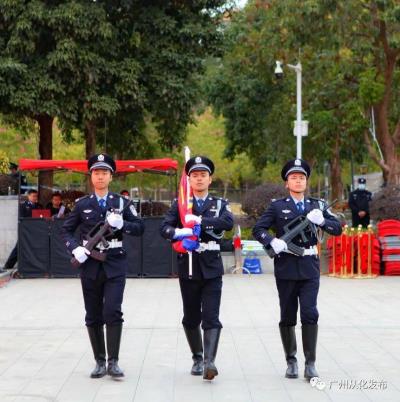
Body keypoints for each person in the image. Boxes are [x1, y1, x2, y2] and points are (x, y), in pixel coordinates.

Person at [253, 159, 342, 381]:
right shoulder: (277, 206)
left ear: (306, 182)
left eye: (302, 177)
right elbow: (258, 228)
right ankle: (291, 361)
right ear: (287, 183)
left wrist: (322, 221)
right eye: (294, 177)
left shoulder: (317, 205)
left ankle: (310, 364)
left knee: (310, 313)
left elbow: (337, 228)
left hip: (309, 266)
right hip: (286, 266)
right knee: (287, 315)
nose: (298, 181)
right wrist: (272, 241)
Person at [61, 153, 144, 379]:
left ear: (111, 177)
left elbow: (140, 227)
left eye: (104, 173)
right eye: (96, 172)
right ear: (91, 176)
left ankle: (113, 362)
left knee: (113, 310)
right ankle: (99, 361)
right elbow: (66, 230)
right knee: (93, 313)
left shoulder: (121, 202)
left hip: (115, 262)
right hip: (90, 264)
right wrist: (75, 248)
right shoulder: (82, 204)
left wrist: (123, 224)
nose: (100, 176)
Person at [160, 156, 233, 380]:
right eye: (195, 175)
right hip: (189, 265)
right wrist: (179, 233)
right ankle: (198, 357)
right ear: (189, 179)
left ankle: (210, 362)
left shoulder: (219, 204)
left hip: (211, 266)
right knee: (191, 317)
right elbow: (164, 228)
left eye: (203, 175)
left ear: (210, 179)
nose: (199, 179)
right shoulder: (181, 204)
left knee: (211, 316)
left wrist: (202, 222)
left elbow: (228, 222)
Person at [3, 189, 42, 270]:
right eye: (33, 196)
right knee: (19, 246)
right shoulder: (23, 205)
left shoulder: (39, 206)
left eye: (36, 196)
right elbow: (21, 218)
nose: (35, 198)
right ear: (28, 196)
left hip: (37, 230)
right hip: (25, 230)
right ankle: (8, 265)